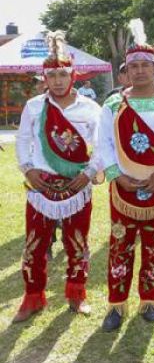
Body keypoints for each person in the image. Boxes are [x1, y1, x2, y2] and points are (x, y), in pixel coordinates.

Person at [13, 32, 102, 322]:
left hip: (77, 187)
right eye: (53, 76)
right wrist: (28, 169)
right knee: (34, 245)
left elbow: (102, 146)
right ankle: (32, 297)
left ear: (72, 75)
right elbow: (23, 140)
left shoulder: (90, 108)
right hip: (40, 188)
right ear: (45, 78)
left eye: (63, 74)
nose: (59, 81)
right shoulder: (35, 106)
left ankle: (76, 295)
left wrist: (89, 174)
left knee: (77, 243)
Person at [98, 43, 154, 332]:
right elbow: (104, 144)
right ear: (126, 71)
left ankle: (149, 301)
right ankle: (117, 304)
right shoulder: (113, 104)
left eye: (146, 65)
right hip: (123, 186)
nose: (140, 70)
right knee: (120, 245)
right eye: (134, 66)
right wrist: (116, 175)